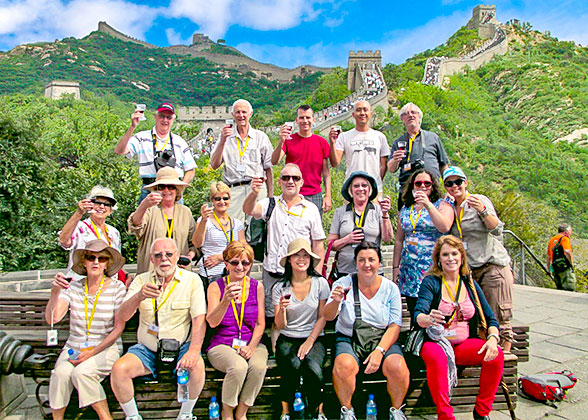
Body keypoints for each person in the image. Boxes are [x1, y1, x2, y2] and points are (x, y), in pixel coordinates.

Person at [111, 238, 206, 420]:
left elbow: (199, 319)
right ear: (151, 259)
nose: (164, 259)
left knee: (197, 366)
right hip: (148, 349)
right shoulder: (141, 281)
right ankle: (133, 416)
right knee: (119, 369)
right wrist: (138, 296)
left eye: (169, 254)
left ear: (177, 256)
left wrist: (193, 351)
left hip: (180, 347)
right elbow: (122, 317)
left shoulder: (192, 281)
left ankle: (185, 414)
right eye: (158, 255)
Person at [414, 235, 504, 420]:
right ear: (438, 259)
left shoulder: (470, 284)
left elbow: (491, 319)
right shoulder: (431, 282)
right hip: (435, 341)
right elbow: (418, 315)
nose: (450, 258)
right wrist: (428, 318)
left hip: (463, 343)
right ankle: (445, 416)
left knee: (496, 356)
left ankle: (482, 411)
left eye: (454, 253)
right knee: (438, 359)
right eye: (445, 254)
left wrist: (493, 339)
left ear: (462, 256)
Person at [322, 242, 410, 420]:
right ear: (355, 263)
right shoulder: (343, 283)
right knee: (343, 366)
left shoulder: (390, 288)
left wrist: (379, 351)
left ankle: (397, 410)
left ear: (379, 263)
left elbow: (394, 325)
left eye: (371, 260)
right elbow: (328, 316)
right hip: (350, 338)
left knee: (397, 366)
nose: (366, 264)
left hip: (382, 338)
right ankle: (347, 410)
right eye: (361, 260)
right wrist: (335, 301)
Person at [46, 240, 126, 420]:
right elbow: (53, 318)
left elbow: (118, 328)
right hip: (74, 347)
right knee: (60, 374)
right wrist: (55, 292)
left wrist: (92, 352)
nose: (96, 262)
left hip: (105, 347)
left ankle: (105, 417)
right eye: (91, 257)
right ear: (84, 261)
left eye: (102, 258)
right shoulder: (73, 286)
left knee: (82, 373)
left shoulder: (117, 288)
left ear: (108, 264)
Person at [443, 166, 514, 352]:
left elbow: (496, 228)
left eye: (458, 181)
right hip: (469, 270)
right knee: (479, 316)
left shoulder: (478, 200)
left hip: (491, 265)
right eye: (449, 183)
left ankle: (505, 361)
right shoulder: (450, 207)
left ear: (465, 182)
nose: (454, 186)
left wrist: (482, 210)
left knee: (499, 316)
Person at [243, 163, 325, 317]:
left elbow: (318, 244)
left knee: (297, 316)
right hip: (272, 275)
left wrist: (317, 276)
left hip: (299, 276)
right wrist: (254, 193)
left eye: (295, 178)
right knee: (272, 317)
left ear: (302, 182)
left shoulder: (311, 209)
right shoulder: (270, 204)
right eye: (286, 178)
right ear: (279, 182)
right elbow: (249, 210)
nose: (290, 181)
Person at [206, 241, 267, 420]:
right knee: (238, 366)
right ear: (226, 264)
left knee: (258, 367)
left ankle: (242, 413)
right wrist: (225, 300)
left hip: (250, 341)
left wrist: (252, 346)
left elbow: (260, 324)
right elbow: (212, 322)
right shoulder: (216, 287)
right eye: (234, 262)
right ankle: (227, 412)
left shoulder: (257, 287)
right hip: (222, 343)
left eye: (245, 263)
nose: (240, 267)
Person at [272, 239, 330, 420]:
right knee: (291, 367)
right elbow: (280, 325)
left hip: (314, 337)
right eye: (297, 255)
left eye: (306, 255)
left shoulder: (321, 284)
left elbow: (323, 317)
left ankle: (317, 411)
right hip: (288, 337)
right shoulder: (280, 288)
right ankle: (286, 411)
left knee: (314, 370)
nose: (301, 259)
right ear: (289, 259)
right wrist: (282, 309)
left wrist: (310, 340)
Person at [392, 169, 454, 317]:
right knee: (415, 311)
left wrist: (428, 204)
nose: (423, 187)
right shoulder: (406, 208)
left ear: (433, 186)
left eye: (427, 183)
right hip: (410, 269)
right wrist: (395, 267)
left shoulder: (441, 205)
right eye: (418, 183)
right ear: (412, 186)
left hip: (432, 267)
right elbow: (399, 240)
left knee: (434, 309)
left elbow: (444, 226)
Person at [114, 102, 196, 204]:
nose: (165, 120)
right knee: (145, 220)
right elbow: (120, 151)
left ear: (173, 119)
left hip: (173, 190)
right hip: (150, 189)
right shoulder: (141, 138)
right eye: (162, 116)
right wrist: (132, 127)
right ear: (155, 117)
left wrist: (180, 188)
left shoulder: (179, 142)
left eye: (168, 117)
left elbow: (190, 170)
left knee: (177, 220)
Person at [210, 99, 274, 223]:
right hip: (234, 189)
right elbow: (214, 165)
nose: (241, 115)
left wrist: (270, 196)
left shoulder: (260, 137)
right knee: (232, 227)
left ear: (250, 114)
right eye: (237, 112)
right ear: (233, 115)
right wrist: (223, 140)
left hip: (256, 189)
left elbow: (268, 168)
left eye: (244, 112)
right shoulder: (225, 137)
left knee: (257, 230)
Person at [128, 167, 196, 275]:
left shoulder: (185, 212)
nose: (166, 190)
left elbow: (194, 243)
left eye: (171, 187)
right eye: (161, 187)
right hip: (151, 273)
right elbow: (135, 226)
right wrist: (143, 205)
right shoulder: (149, 210)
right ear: (156, 190)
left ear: (177, 190)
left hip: (180, 273)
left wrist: (189, 257)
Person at [328, 171, 392, 279]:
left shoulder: (378, 210)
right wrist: (347, 239)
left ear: (369, 189)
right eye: (356, 186)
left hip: (372, 271)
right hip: (346, 271)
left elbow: (388, 238)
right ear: (350, 190)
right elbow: (331, 244)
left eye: (364, 185)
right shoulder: (340, 212)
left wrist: (385, 214)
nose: (360, 189)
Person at [271, 105, 332, 216]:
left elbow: (326, 173)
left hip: (315, 195)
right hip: (292, 193)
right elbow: (275, 161)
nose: (305, 121)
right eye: (301, 118)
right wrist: (281, 141)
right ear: (297, 120)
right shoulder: (288, 141)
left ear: (313, 120)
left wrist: (328, 196)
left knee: (314, 231)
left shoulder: (322, 142)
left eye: (308, 118)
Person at [388, 102, 449, 210]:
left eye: (413, 112)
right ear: (402, 119)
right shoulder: (399, 142)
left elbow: (443, 165)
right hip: (408, 192)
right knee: (406, 221)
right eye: (406, 113)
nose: (410, 115)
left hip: (432, 190)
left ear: (419, 116)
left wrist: (448, 186)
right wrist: (396, 160)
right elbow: (391, 169)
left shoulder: (432, 137)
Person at [58, 185, 123, 282]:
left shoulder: (114, 233)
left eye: (106, 204)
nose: (101, 207)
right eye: (97, 203)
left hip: (107, 286)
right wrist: (79, 213)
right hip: (80, 285)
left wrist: (125, 275)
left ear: (111, 210)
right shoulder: (79, 226)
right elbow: (63, 241)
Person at [329, 100, 389, 196]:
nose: (362, 113)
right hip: (352, 189)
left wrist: (375, 181)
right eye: (358, 110)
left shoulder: (380, 136)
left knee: (376, 211)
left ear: (370, 114)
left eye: (365, 110)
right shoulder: (344, 136)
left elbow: (384, 166)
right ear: (353, 114)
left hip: (375, 189)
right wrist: (332, 143)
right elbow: (335, 163)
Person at [193, 181, 246, 288]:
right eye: (218, 199)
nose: (222, 202)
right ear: (212, 200)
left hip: (233, 272)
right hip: (212, 274)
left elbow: (244, 249)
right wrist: (203, 220)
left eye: (225, 198)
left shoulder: (237, 223)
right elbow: (197, 243)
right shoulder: (205, 221)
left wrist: (222, 257)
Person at [547, 224, 576, 291]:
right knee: (569, 288)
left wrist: (549, 270)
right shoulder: (565, 239)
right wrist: (571, 264)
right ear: (566, 232)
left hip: (555, 268)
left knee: (559, 289)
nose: (570, 233)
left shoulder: (552, 240)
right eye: (570, 231)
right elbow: (567, 252)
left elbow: (548, 256)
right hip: (564, 267)